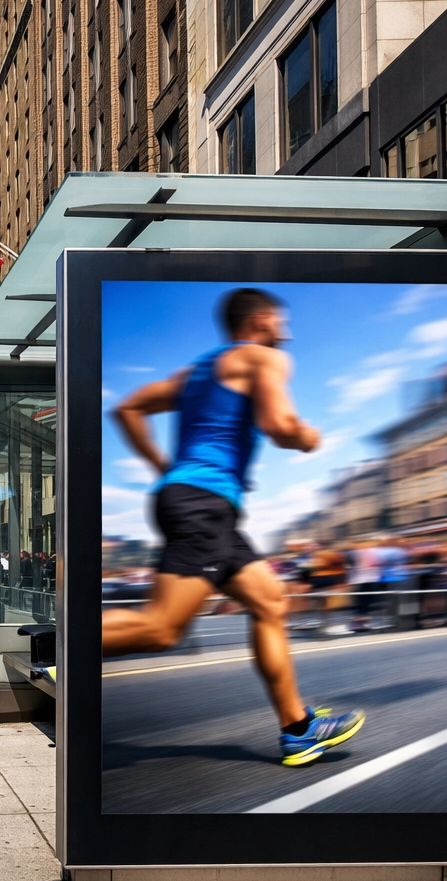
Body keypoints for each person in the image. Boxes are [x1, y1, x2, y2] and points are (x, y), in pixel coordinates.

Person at [102, 288, 365, 768]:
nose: (285, 330)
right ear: (262, 320)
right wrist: (307, 437)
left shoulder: (196, 372)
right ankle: (63, 650)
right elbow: (280, 424)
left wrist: (164, 465)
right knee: (161, 629)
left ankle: (297, 731)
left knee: (270, 600)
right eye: (281, 320)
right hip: (203, 505)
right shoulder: (262, 358)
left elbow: (128, 409)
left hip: (198, 503)